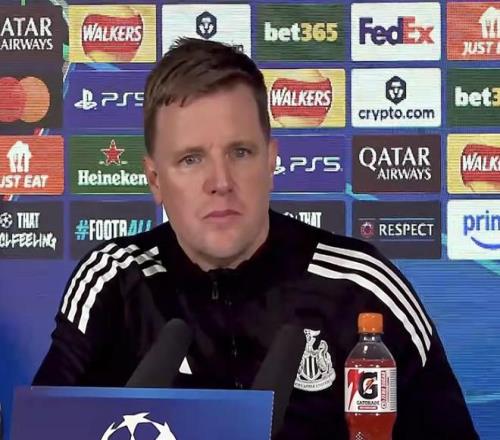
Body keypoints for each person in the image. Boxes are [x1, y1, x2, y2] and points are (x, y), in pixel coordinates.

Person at [33, 38, 478, 439]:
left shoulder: (361, 286)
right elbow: (41, 431)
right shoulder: (113, 282)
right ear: (154, 179)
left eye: (240, 152)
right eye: (190, 159)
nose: (220, 182)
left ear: (271, 161)